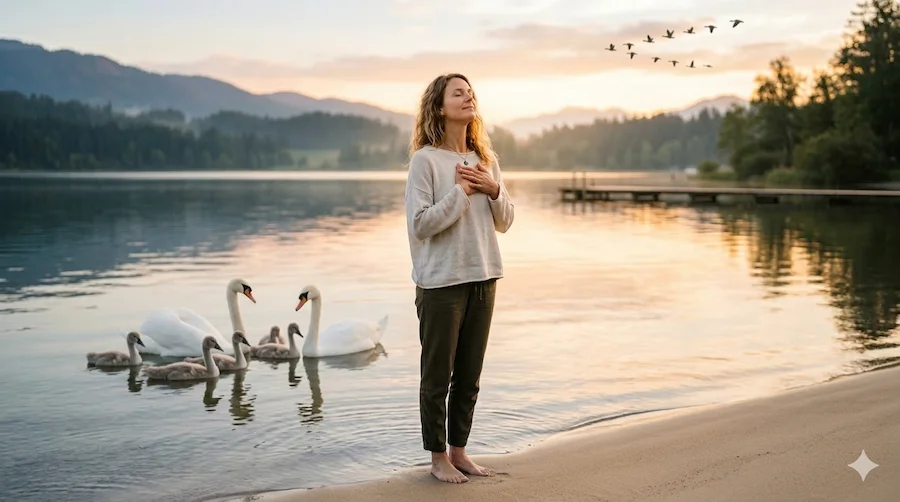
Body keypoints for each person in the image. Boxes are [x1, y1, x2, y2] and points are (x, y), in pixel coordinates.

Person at [404, 73, 515, 483]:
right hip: (440, 284)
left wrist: (492, 188)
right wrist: (460, 194)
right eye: (458, 92)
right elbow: (421, 225)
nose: (468, 97)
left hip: (484, 276)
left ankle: (459, 452)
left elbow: (504, 223)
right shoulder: (425, 161)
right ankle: (437, 458)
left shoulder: (486, 160)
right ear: (439, 106)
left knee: (469, 374)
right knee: (437, 377)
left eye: (470, 92)